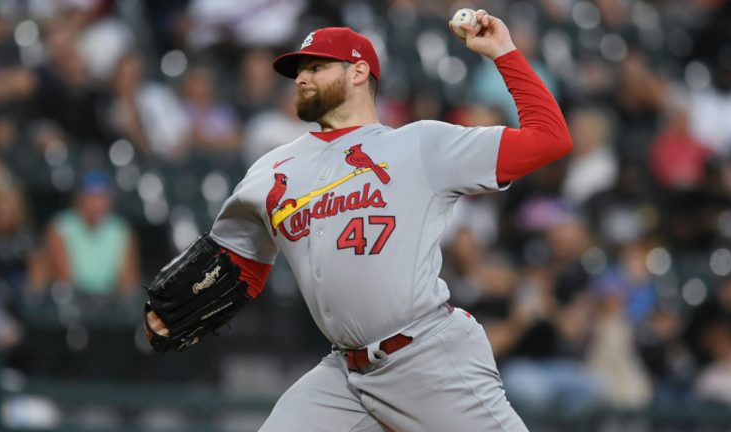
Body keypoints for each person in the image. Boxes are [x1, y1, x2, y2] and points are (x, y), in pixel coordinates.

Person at [147, 10, 572, 431]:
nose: (302, 78)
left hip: (427, 358)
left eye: (316, 66)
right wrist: (179, 309)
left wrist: (504, 52)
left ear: (358, 72)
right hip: (345, 376)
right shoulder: (272, 171)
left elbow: (550, 139)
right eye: (298, 70)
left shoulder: (421, 144)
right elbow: (239, 264)